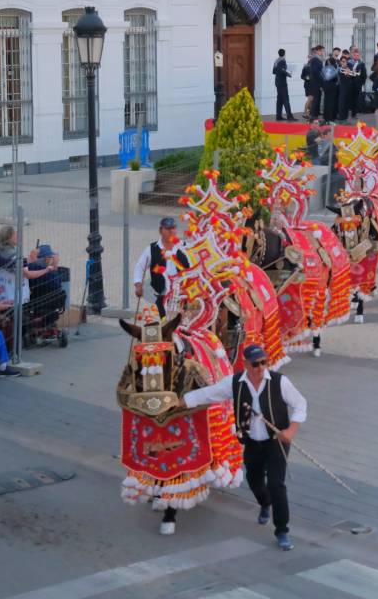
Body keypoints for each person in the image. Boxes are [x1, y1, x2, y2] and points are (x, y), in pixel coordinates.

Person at [184, 344, 306, 552]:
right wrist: (183, 401)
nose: (261, 368)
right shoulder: (234, 383)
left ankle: (282, 531)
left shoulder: (280, 382)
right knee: (254, 480)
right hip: (251, 442)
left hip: (276, 442)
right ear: (246, 364)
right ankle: (264, 503)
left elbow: (301, 405)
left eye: (264, 362)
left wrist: (291, 431)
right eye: (256, 364)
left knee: (277, 484)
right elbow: (209, 394)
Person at [133, 217, 190, 316]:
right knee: (163, 323)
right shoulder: (152, 249)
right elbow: (139, 267)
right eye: (168, 229)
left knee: (180, 323)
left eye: (173, 228)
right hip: (160, 294)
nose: (171, 231)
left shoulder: (185, 247)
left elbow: (194, 268)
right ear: (161, 230)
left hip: (181, 294)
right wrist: (138, 285)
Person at [272, 49, 296, 121]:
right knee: (286, 99)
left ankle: (278, 116)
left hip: (277, 82)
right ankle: (290, 116)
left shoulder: (276, 61)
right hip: (282, 83)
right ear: (284, 54)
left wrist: (283, 72)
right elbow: (283, 71)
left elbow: (274, 71)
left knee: (279, 100)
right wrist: (289, 74)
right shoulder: (283, 61)